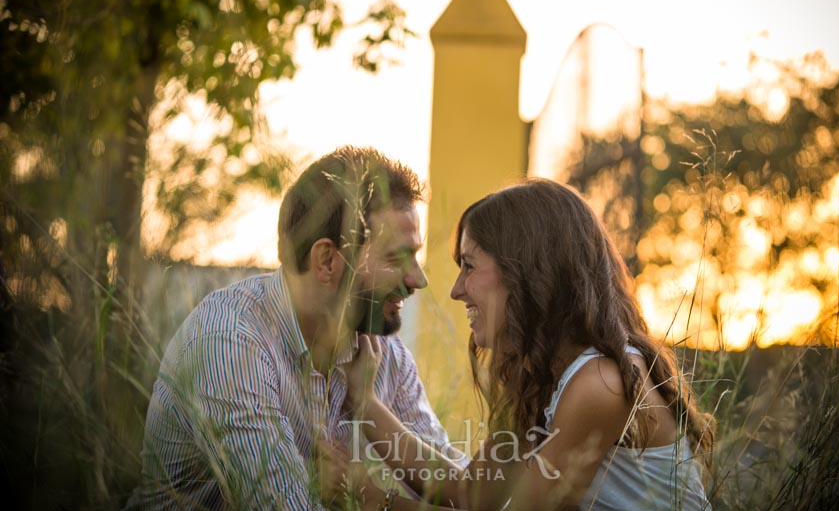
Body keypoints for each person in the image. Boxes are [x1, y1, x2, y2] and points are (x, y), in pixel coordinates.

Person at [342, 179, 715, 510]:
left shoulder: (600, 384)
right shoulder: (542, 375)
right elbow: (471, 494)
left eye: (470, 266)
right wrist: (365, 404)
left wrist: (374, 499)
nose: (456, 290)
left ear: (528, 273)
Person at [126, 146, 462, 510]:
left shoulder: (386, 355)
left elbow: (464, 495)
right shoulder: (231, 341)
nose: (418, 279)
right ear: (327, 261)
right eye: (396, 257)